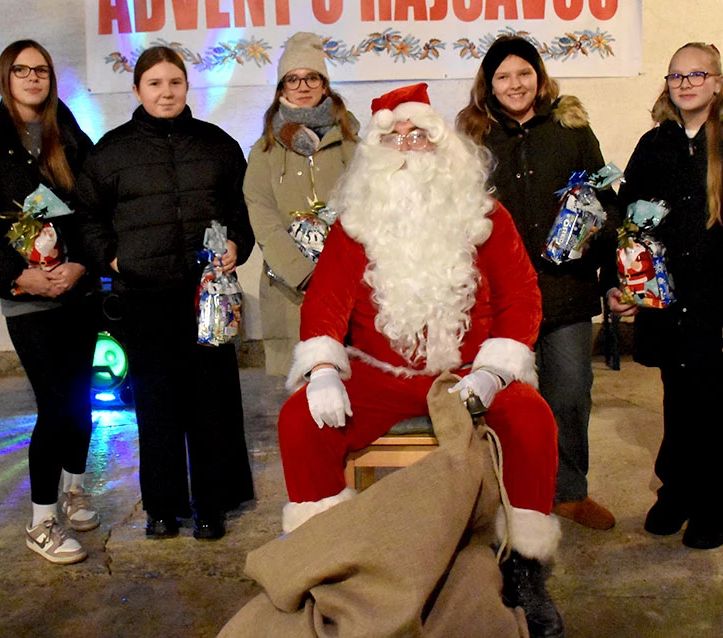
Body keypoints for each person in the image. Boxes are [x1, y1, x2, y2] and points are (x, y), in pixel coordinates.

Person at [278, 83, 565, 637]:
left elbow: (522, 298)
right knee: (300, 420)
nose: (408, 147)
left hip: (469, 374)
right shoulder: (355, 224)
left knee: (533, 419)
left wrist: (493, 369)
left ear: (444, 146)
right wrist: (320, 371)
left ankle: (525, 570)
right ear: (378, 155)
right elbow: (325, 302)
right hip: (379, 375)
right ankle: (323, 560)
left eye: (419, 136)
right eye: (395, 138)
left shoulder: (485, 217)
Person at [75, 46, 256, 541]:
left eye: (174, 81)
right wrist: (113, 259)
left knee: (211, 402)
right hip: (146, 298)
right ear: (137, 90)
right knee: (156, 404)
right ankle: (162, 507)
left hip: (208, 298)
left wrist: (237, 245)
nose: (166, 91)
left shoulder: (217, 145)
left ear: (186, 87)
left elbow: (243, 210)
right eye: (154, 83)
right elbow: (87, 218)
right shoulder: (111, 152)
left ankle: (211, 505)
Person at [607, 43, 723, 549]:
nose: (685, 84)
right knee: (676, 401)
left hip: (716, 305)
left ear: (717, 82)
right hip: (663, 302)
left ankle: (717, 508)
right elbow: (630, 221)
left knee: (708, 404)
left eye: (696, 74)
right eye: (676, 76)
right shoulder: (654, 144)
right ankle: (676, 495)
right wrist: (624, 286)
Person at [457, 35, 619, 530]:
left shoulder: (572, 129)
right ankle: (506, 491)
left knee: (569, 392)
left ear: (539, 76)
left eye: (523, 73)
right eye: (503, 76)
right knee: (505, 397)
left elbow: (606, 202)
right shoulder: (473, 137)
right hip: (499, 297)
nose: (515, 84)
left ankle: (568, 491)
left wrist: (609, 270)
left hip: (565, 288)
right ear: (489, 84)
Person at [0, 40, 99, 564]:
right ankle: (42, 521)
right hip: (28, 298)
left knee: (83, 401)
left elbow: (92, 209)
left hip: (78, 292)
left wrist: (81, 263)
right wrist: (19, 275)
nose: (33, 77)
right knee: (55, 406)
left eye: (41, 70)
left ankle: (75, 489)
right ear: (5, 77)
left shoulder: (71, 136)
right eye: (22, 69)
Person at [244, 32, 360, 377]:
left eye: (312, 77)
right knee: (302, 396)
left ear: (325, 85)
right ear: (281, 90)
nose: (303, 86)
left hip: (349, 286)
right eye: (292, 79)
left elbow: (371, 207)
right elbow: (262, 216)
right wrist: (304, 274)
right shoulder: (263, 151)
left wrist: (343, 273)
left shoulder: (353, 143)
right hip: (291, 290)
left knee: (354, 390)